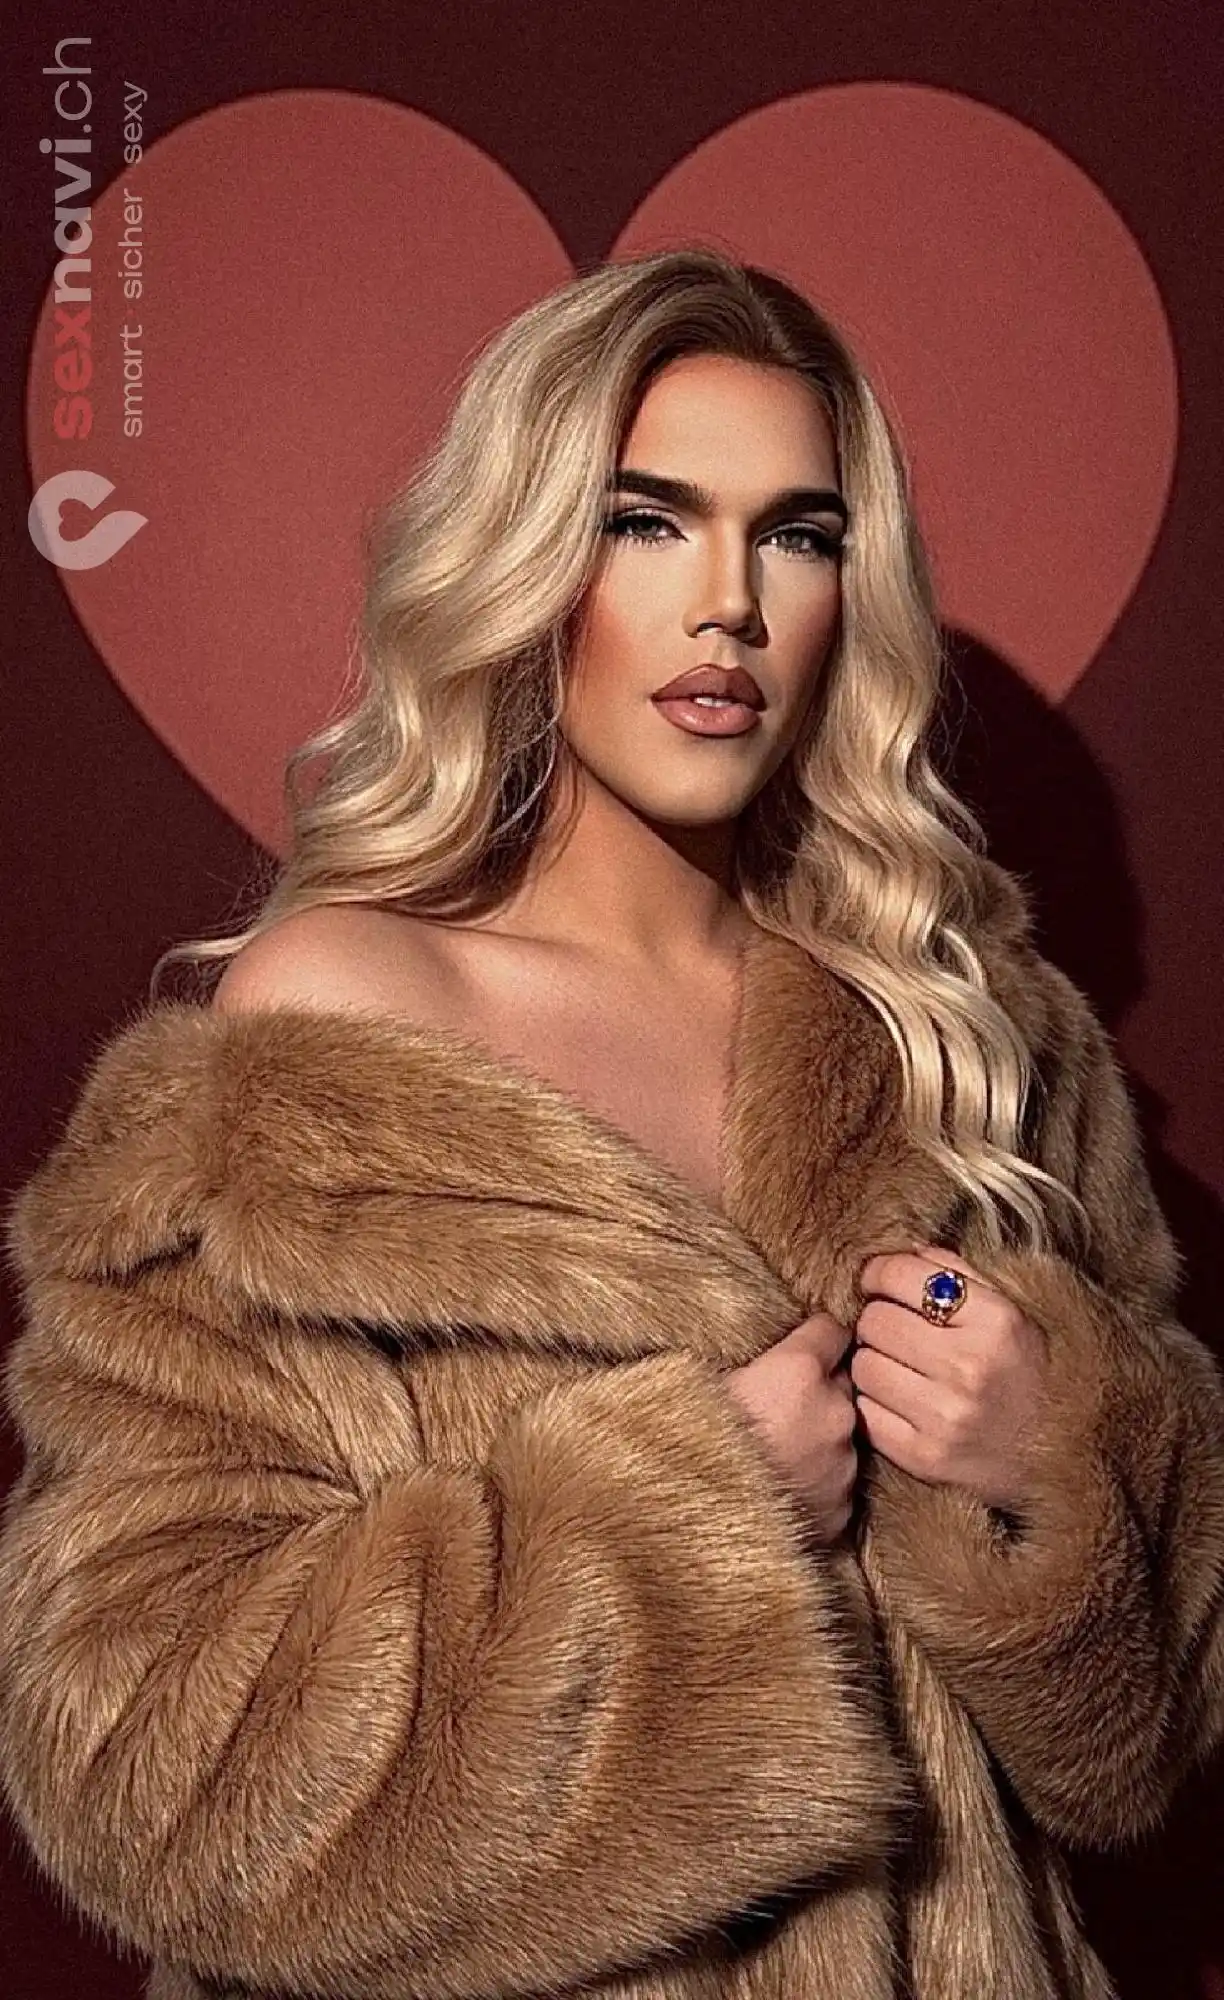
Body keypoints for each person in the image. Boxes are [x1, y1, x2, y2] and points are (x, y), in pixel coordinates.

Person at [2, 245, 1222, 2000]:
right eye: (646, 522)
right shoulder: (325, 1035)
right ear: (528, 561)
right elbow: (144, 1763)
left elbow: (1137, 1753)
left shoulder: (961, 1033)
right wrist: (696, 1514)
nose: (730, 604)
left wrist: (1066, 1463)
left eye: (797, 536)